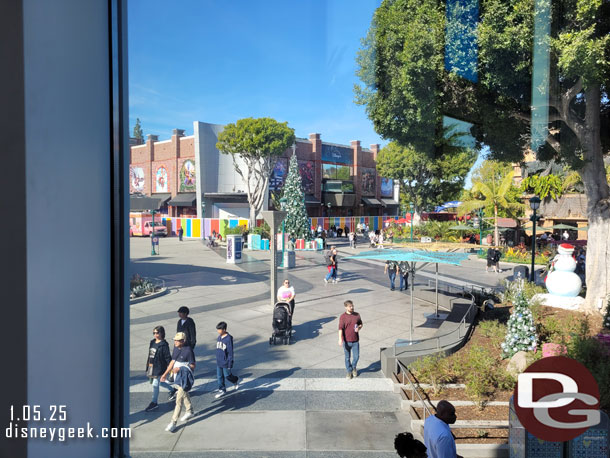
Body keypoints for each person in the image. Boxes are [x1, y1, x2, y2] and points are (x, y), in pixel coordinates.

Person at [161, 332, 196, 432]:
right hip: (177, 377)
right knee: (184, 394)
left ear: (183, 341)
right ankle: (190, 411)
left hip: (184, 378)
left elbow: (193, 366)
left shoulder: (189, 350)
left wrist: (180, 368)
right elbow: (172, 362)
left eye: (178, 340)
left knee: (178, 400)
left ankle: (173, 422)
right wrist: (165, 374)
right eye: (175, 340)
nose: (175, 342)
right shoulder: (176, 348)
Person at [145, 326, 172, 412]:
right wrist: (148, 366)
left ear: (162, 333)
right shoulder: (152, 342)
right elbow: (150, 354)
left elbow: (168, 357)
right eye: (154, 333)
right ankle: (173, 389)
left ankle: (154, 402)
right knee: (159, 382)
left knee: (155, 384)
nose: (155, 335)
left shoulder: (164, 345)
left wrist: (170, 368)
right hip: (151, 366)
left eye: (157, 333)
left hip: (159, 367)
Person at [338, 300, 363, 379]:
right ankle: (349, 371)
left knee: (356, 357)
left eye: (352, 306)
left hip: (355, 340)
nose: (352, 307)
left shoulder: (357, 315)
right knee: (347, 357)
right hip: (346, 341)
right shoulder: (343, 317)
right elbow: (340, 329)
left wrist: (359, 328)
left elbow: (361, 323)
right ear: (346, 307)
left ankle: (354, 367)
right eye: (350, 306)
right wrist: (340, 339)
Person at [215, 321, 239, 398]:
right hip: (219, 361)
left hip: (225, 362)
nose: (218, 331)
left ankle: (235, 380)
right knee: (219, 376)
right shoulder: (219, 337)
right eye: (217, 329)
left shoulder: (228, 339)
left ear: (224, 329)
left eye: (219, 329)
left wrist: (230, 363)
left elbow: (230, 352)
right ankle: (222, 390)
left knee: (227, 376)